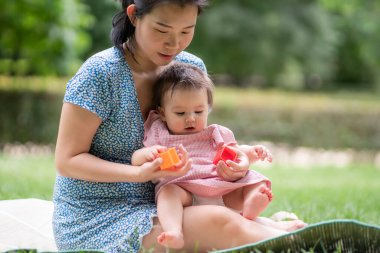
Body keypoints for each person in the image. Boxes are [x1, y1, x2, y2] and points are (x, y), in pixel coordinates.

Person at [53, 0, 306, 252]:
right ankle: (293, 243)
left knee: (220, 216)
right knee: (219, 222)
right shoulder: (100, 74)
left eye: (186, 31)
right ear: (134, 16)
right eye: (162, 30)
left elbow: (200, 145)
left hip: (171, 203)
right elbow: (67, 160)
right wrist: (138, 174)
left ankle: (284, 235)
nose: (174, 44)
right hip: (96, 217)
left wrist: (232, 164)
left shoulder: (190, 69)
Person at [132, 62, 276, 249]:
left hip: (220, 185)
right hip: (185, 190)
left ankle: (250, 204)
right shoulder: (159, 133)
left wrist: (251, 154)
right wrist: (147, 154)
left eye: (199, 111)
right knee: (167, 193)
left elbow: (236, 152)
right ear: (163, 113)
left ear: (207, 108)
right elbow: (136, 159)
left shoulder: (214, 133)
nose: (191, 118)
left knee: (254, 180)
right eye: (180, 113)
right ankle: (174, 230)